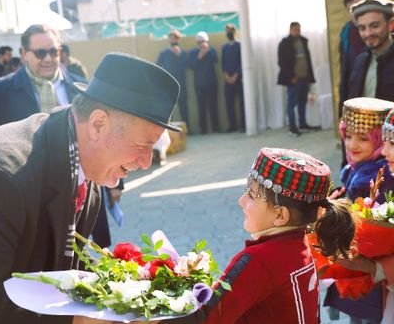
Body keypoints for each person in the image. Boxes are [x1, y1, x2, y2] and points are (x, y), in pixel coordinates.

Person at [0, 52, 181, 324]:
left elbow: (66, 265)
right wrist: (83, 321)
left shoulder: (85, 163)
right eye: (143, 145)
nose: (145, 162)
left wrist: (131, 287)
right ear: (97, 124)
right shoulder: (5, 179)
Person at [165, 147, 356, 324]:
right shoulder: (299, 245)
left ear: (280, 215)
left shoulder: (259, 261)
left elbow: (207, 318)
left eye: (252, 195)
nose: (241, 201)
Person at [324, 97, 394, 323]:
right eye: (348, 136)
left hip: (370, 273)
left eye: (363, 138)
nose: (352, 144)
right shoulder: (355, 169)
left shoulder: (372, 176)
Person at [0, 24, 85, 128]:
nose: (48, 59)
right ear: (24, 54)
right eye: (40, 53)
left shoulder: (83, 89)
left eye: (53, 52)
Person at [348, 0, 394, 101]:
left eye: (374, 26)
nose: (368, 33)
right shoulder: (359, 61)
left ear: (391, 25)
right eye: (362, 28)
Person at [277, 22, 318, 136]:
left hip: (304, 77)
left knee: (302, 102)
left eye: (299, 29)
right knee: (292, 103)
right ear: (290, 30)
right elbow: (282, 62)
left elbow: (307, 60)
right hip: (293, 79)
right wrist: (291, 76)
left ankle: (302, 124)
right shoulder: (285, 43)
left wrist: (310, 76)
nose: (297, 32)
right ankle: (292, 127)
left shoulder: (304, 41)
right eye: (295, 29)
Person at [338, 0, 370, 118]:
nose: (355, 13)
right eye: (350, 9)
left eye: (358, 6)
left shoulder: (385, 31)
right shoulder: (345, 34)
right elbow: (344, 72)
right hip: (356, 94)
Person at [156, 30, 189, 128]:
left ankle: (187, 129)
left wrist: (179, 55)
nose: (172, 40)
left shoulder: (183, 53)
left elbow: (188, 65)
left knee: (183, 106)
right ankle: (169, 129)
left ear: (178, 39)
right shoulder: (164, 53)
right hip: (168, 84)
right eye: (171, 38)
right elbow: (158, 66)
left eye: (174, 38)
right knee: (169, 108)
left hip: (181, 83)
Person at [188, 31, 219, 134]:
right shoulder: (193, 52)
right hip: (199, 83)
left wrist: (208, 51)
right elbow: (191, 66)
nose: (202, 43)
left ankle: (215, 127)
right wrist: (200, 55)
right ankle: (203, 129)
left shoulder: (211, 50)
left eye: (204, 41)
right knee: (201, 107)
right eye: (200, 41)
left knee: (213, 105)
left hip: (211, 82)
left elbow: (216, 60)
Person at [221, 24, 245, 133]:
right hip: (227, 79)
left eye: (230, 30)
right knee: (229, 103)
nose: (228, 32)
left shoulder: (240, 45)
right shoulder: (224, 47)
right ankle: (233, 125)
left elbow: (241, 61)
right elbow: (223, 63)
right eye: (227, 31)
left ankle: (243, 125)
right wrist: (226, 75)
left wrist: (236, 75)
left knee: (242, 103)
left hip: (238, 79)